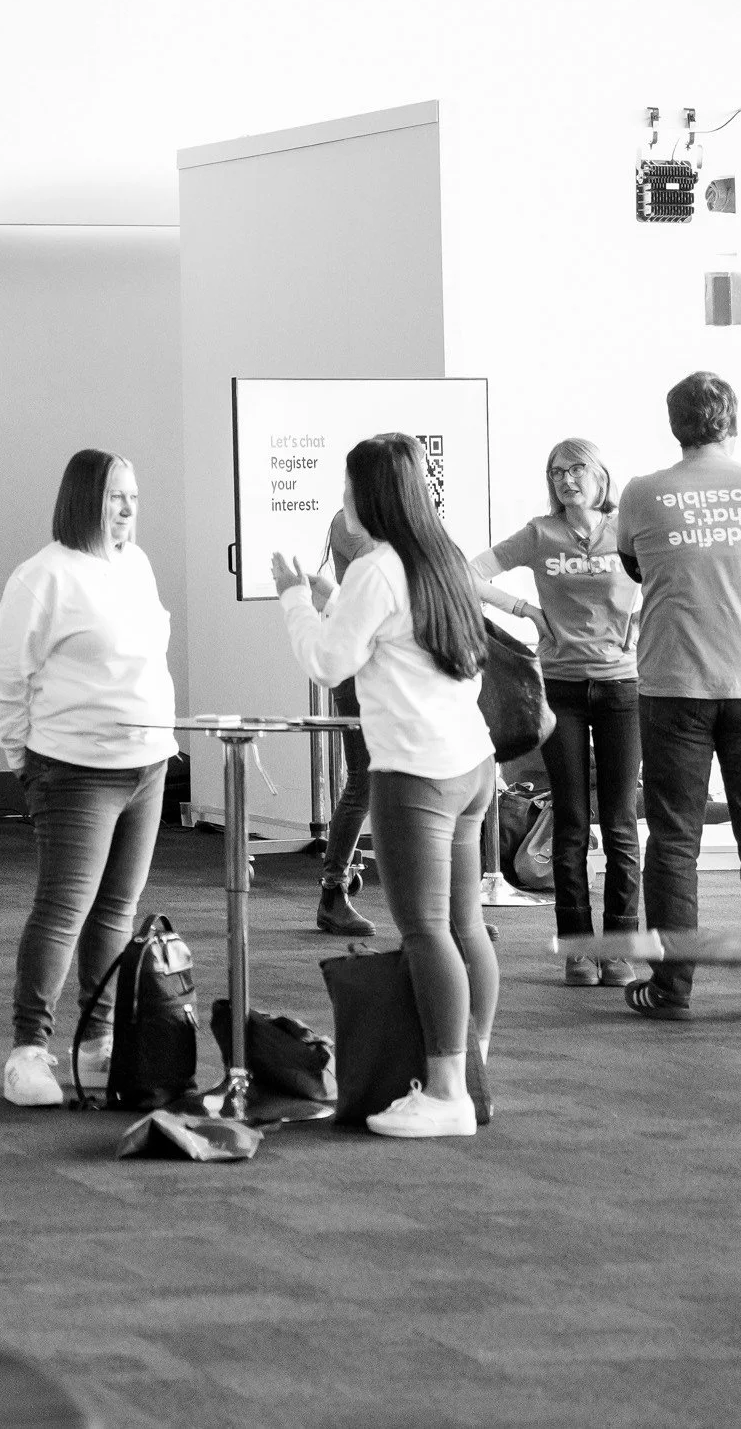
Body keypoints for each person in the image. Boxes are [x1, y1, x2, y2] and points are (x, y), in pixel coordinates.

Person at [276, 434, 497, 1140]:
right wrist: (328, 600)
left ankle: (447, 1090)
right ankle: (473, 1069)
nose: (341, 506)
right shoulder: (445, 559)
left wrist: (292, 598)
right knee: (465, 926)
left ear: (368, 496)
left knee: (426, 930)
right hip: (470, 765)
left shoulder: (378, 568)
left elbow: (328, 658)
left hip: (416, 774)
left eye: (346, 492)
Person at [0, 450, 178, 1108]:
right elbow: (3, 680)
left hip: (148, 765)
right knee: (63, 912)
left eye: (134, 497)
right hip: (75, 771)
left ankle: (97, 1043)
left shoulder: (138, 566)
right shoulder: (44, 576)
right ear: (83, 498)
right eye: (116, 496)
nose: (128, 509)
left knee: (116, 911)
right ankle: (29, 1050)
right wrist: (24, 761)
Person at [613, 372, 741, 1021]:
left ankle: (672, 988)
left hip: (674, 684)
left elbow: (634, 564)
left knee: (672, 838)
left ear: (675, 425)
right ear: (733, 421)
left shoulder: (642, 493)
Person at [469, 438, 642, 985]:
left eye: (577, 469)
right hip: (561, 690)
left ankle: (617, 946)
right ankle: (577, 948)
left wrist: (642, 625)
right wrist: (524, 610)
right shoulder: (540, 534)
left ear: (600, 474)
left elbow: (673, 579)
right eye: (557, 471)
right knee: (570, 822)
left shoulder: (627, 530)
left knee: (618, 826)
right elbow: (468, 572)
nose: (567, 479)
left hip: (622, 688)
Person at [314, 505, 381, 937]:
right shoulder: (351, 520)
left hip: (396, 668)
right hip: (360, 668)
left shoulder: (396, 521)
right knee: (365, 783)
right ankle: (332, 892)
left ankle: (451, 907)